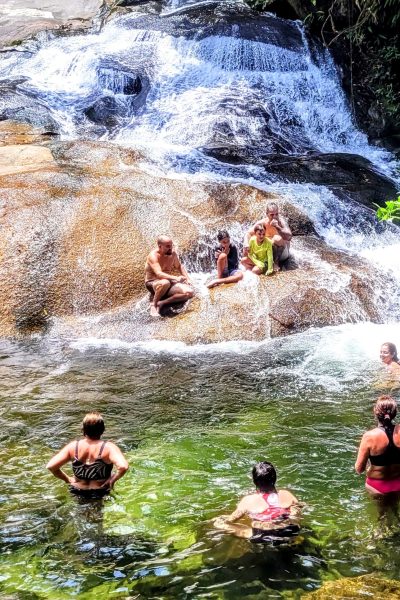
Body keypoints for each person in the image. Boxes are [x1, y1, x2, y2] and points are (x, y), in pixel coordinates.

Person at [47, 412, 129, 499]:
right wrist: (112, 480)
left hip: (76, 490)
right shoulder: (108, 447)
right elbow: (123, 467)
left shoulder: (73, 446)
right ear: (103, 430)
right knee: (97, 512)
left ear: (83, 430)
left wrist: (67, 479)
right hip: (100, 491)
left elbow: (51, 466)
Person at [214, 461, 300, 543]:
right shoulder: (286, 494)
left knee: (219, 523)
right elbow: (299, 506)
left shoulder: (248, 500)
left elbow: (231, 520)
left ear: (254, 481)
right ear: (275, 478)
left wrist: (224, 519)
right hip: (290, 531)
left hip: (263, 536)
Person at [355, 396, 400, 495]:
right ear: (394, 413)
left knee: (381, 510)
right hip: (398, 483)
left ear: (375, 412)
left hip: (377, 487)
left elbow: (359, 469)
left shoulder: (369, 436)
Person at [145, 236, 194, 317]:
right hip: (153, 282)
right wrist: (176, 278)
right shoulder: (153, 256)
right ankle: (154, 304)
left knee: (189, 293)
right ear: (160, 246)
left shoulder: (173, 254)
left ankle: (162, 303)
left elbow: (179, 266)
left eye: (171, 245)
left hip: (168, 282)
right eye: (167, 246)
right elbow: (159, 274)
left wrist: (188, 279)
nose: (170, 248)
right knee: (165, 283)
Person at [244, 202, 292, 270]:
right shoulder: (262, 222)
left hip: (282, 253)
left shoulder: (281, 222)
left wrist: (277, 227)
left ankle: (275, 263)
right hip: (267, 252)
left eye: (276, 214)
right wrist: (246, 244)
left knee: (276, 239)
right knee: (253, 238)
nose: (274, 217)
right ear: (267, 214)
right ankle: (260, 265)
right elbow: (248, 233)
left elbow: (289, 236)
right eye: (272, 215)